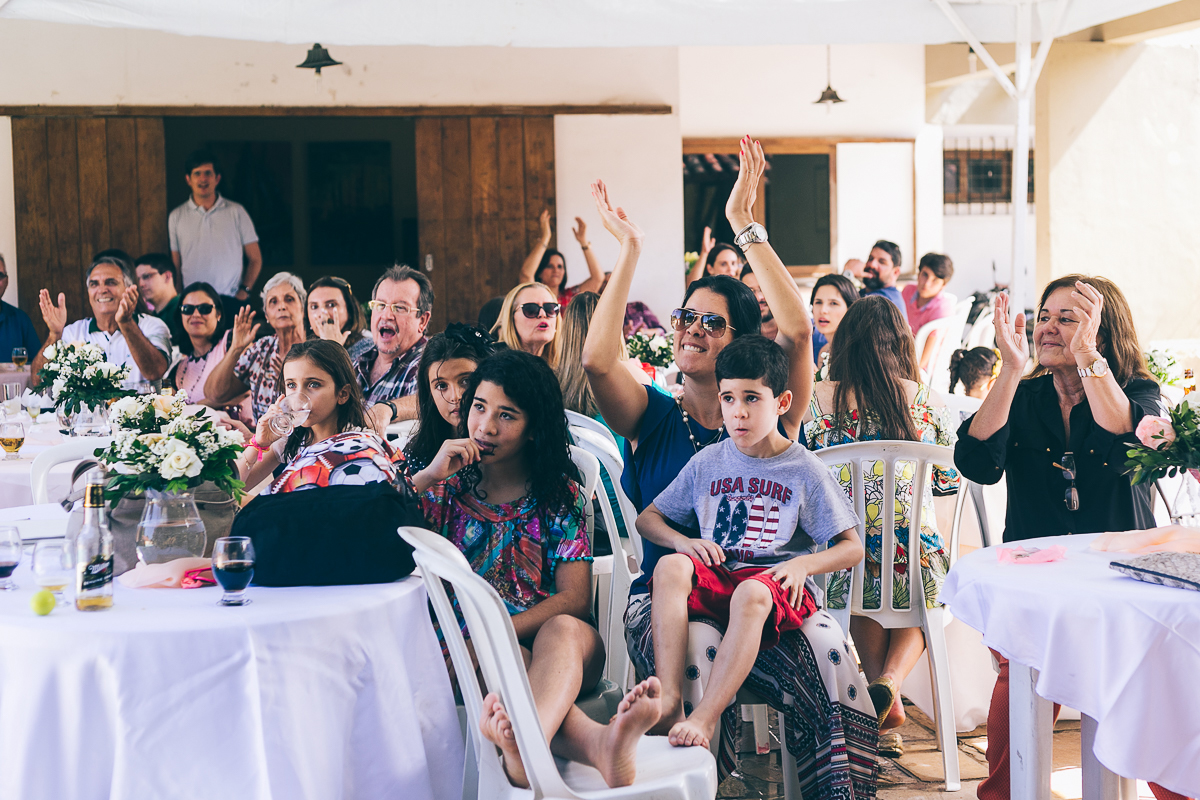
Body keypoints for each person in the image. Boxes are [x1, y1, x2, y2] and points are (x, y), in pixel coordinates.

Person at [583, 142, 877, 797]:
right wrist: (628, 251)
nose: (690, 328)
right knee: (696, 645)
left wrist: (746, 226)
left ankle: (835, 787)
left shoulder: (770, 418)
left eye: (709, 322)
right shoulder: (654, 416)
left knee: (826, 647)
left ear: (740, 342)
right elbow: (599, 361)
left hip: (767, 596)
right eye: (685, 316)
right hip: (669, 602)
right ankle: (699, 781)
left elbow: (797, 332)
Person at [406, 349, 662, 790]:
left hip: (561, 646)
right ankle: (586, 746)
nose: (486, 427)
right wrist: (428, 476)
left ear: (533, 428)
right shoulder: (444, 491)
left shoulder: (560, 496)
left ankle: (524, 753)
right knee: (512, 662)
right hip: (469, 652)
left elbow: (575, 600)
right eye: (479, 407)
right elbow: (376, 530)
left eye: (506, 415)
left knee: (559, 630)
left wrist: (498, 629)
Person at [953, 277, 1169, 800]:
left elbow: (1127, 437)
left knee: (1148, 700)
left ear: (1101, 332)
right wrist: (1009, 370)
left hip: (1117, 579)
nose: (1047, 328)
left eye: (1067, 319)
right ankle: (1003, 795)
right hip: (1037, 575)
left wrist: (1089, 359)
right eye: (1044, 316)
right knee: (1020, 672)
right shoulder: (1024, 394)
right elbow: (977, 463)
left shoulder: (1137, 392)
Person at [637, 335, 864, 748]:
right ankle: (668, 699)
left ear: (782, 402)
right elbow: (647, 519)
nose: (737, 412)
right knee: (669, 565)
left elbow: (852, 547)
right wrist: (682, 542)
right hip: (721, 576)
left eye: (752, 399)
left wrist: (802, 564)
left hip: (774, 586)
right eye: (728, 398)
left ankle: (705, 717)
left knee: (752, 593)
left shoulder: (804, 469)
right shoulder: (708, 461)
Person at [801, 295, 959, 757]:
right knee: (925, 586)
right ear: (903, 343)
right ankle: (890, 681)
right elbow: (948, 482)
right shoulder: (927, 401)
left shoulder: (816, 399)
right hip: (919, 560)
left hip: (844, 560)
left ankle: (882, 708)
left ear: (845, 343)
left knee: (864, 572)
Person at [235, 339, 402, 495]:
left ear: (342, 394)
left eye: (313, 384)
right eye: (291, 385)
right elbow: (232, 490)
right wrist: (258, 443)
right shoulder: (290, 440)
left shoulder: (360, 443)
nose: (298, 398)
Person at [31, 255, 170, 385]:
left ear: (128, 289)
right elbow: (38, 381)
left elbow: (155, 373)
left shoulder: (152, 325)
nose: (102, 290)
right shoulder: (73, 332)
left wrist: (126, 323)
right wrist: (55, 335)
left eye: (111, 282)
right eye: (94, 284)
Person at [204, 272, 307, 424]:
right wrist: (235, 349)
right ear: (266, 315)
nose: (282, 307)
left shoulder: (314, 351)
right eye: (273, 302)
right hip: (262, 438)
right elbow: (214, 394)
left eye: (289, 299)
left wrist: (289, 383)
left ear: (303, 308)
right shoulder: (261, 349)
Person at [403, 323, 497, 476]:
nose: (455, 397)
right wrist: (429, 476)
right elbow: (401, 492)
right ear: (429, 393)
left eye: (466, 381)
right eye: (441, 386)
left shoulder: (507, 450)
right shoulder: (418, 453)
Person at [169, 149, 263, 301]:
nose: (203, 179)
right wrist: (179, 298)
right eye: (197, 173)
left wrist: (244, 291)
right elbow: (176, 264)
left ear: (217, 178)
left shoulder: (237, 212)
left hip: (230, 298)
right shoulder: (176, 216)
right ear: (188, 179)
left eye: (208, 173)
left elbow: (255, 258)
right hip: (193, 301)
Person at [356, 265, 433, 429]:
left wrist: (389, 408)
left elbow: (431, 399)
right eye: (380, 305)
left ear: (422, 321)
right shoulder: (360, 360)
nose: (386, 315)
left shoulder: (429, 363)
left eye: (400, 308)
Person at [167, 282, 247, 415]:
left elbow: (244, 390)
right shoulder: (179, 369)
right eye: (187, 309)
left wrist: (194, 408)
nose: (196, 314)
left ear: (218, 314)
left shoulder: (234, 342)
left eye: (204, 309)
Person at [518, 209, 604, 306]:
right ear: (540, 272)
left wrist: (584, 243)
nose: (556, 270)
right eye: (550, 266)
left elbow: (598, 279)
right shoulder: (534, 295)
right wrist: (545, 237)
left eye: (560, 266)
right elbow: (526, 274)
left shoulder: (570, 297)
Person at [903, 253, 956, 370]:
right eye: (925, 275)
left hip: (920, 368)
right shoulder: (907, 291)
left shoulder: (942, 310)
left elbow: (922, 361)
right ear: (918, 274)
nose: (926, 283)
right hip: (903, 353)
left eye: (935, 280)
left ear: (943, 285)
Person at [492, 282, 560, 365]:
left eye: (550, 309)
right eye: (531, 310)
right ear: (511, 319)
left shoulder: (564, 366)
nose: (542, 314)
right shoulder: (493, 365)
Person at [305, 276, 371, 361]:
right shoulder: (304, 351)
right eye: (314, 307)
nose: (322, 313)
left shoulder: (367, 349)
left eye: (331, 305)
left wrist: (332, 348)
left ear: (350, 310)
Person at [810, 273, 858, 377]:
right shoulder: (824, 350)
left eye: (833, 303)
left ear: (850, 308)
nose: (823, 310)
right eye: (818, 302)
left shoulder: (856, 353)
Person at [134, 252, 183, 344]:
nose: (141, 284)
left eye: (147, 276)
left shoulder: (184, 309)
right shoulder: (151, 317)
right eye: (138, 280)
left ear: (167, 276)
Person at [0, 253, 41, 362]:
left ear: (6, 281)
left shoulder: (21, 319)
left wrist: (55, 333)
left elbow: (38, 365)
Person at [861, 240, 908, 323]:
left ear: (895, 272)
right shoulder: (868, 292)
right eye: (870, 258)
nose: (872, 264)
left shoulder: (883, 302)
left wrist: (848, 273)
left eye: (882, 262)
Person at [739, 264, 777, 341]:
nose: (758, 298)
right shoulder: (738, 336)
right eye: (750, 291)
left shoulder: (796, 331)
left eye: (763, 289)